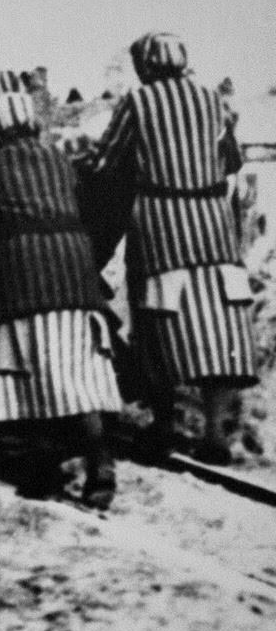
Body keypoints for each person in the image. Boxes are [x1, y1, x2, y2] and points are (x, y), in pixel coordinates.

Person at [84, 33, 256, 465]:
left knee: (159, 323)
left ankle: (162, 427)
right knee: (221, 322)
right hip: (214, 224)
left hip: (162, 225)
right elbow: (232, 159)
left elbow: (106, 164)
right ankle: (215, 433)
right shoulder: (213, 100)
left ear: (144, 66)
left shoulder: (138, 104)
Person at [0, 90, 124, 508]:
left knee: (30, 366)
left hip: (23, 270)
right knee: (82, 370)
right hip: (73, 263)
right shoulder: (58, 157)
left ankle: (44, 469)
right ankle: (100, 460)